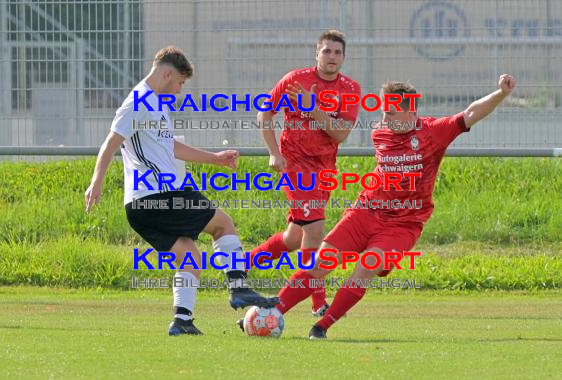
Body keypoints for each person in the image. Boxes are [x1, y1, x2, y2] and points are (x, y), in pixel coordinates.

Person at [240, 74, 516, 339]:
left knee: (365, 266)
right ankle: (272, 311)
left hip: (403, 224)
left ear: (411, 114)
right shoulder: (380, 133)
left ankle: (321, 326)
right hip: (366, 212)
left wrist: (502, 93)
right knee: (322, 263)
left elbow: (471, 113)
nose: (384, 118)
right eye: (384, 112)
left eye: (392, 113)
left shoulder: (434, 132)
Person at [85, 46, 279, 336]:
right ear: (166, 74)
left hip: (141, 206)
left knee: (190, 256)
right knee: (223, 224)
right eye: (179, 83)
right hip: (160, 196)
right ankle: (239, 288)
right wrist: (96, 182)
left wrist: (214, 158)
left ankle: (182, 321)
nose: (179, 90)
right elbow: (111, 142)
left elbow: (171, 147)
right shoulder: (138, 101)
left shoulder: (155, 104)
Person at [249, 30, 362, 317]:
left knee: (293, 238)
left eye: (337, 52)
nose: (332, 57)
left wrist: (313, 109)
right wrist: (274, 152)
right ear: (317, 54)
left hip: (324, 169)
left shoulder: (350, 89)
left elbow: (339, 134)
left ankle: (241, 264)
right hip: (295, 166)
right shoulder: (294, 80)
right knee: (315, 231)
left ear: (344, 57)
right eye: (327, 51)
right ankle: (317, 303)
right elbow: (265, 114)